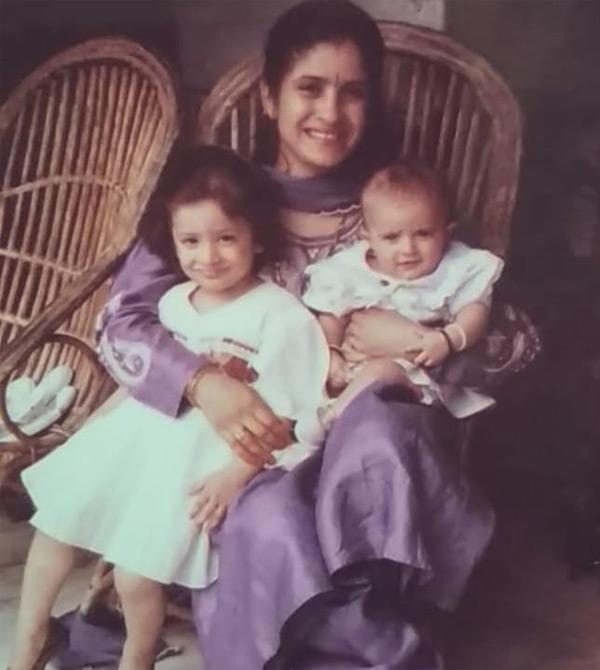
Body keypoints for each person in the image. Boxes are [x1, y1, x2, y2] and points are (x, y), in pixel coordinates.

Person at [81, 1, 500, 668]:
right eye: (310, 87)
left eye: (352, 91)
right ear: (271, 97)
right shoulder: (220, 202)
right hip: (263, 449)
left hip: (371, 440)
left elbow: (513, 340)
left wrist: (423, 341)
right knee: (262, 520)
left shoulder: (398, 206)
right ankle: (383, 649)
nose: (331, 113)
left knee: (379, 437)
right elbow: (119, 324)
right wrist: (201, 381)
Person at [8, 146, 329, 670]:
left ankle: (136, 657)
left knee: (137, 575)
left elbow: (292, 413)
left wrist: (236, 475)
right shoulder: (173, 303)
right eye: (191, 241)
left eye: (226, 238)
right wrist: (96, 427)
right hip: (141, 437)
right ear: (172, 243)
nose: (208, 257)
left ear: (257, 237)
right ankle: (28, 642)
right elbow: (142, 380)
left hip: (197, 457)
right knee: (58, 521)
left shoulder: (280, 314)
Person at [301, 160, 504, 436]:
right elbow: (331, 316)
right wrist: (332, 353)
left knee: (383, 371)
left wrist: (448, 338)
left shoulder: (455, 268)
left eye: (423, 234)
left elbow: (475, 311)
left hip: (410, 384)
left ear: (447, 231)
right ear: (367, 236)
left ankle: (330, 422)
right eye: (391, 237)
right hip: (348, 373)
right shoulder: (348, 272)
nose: (408, 249)